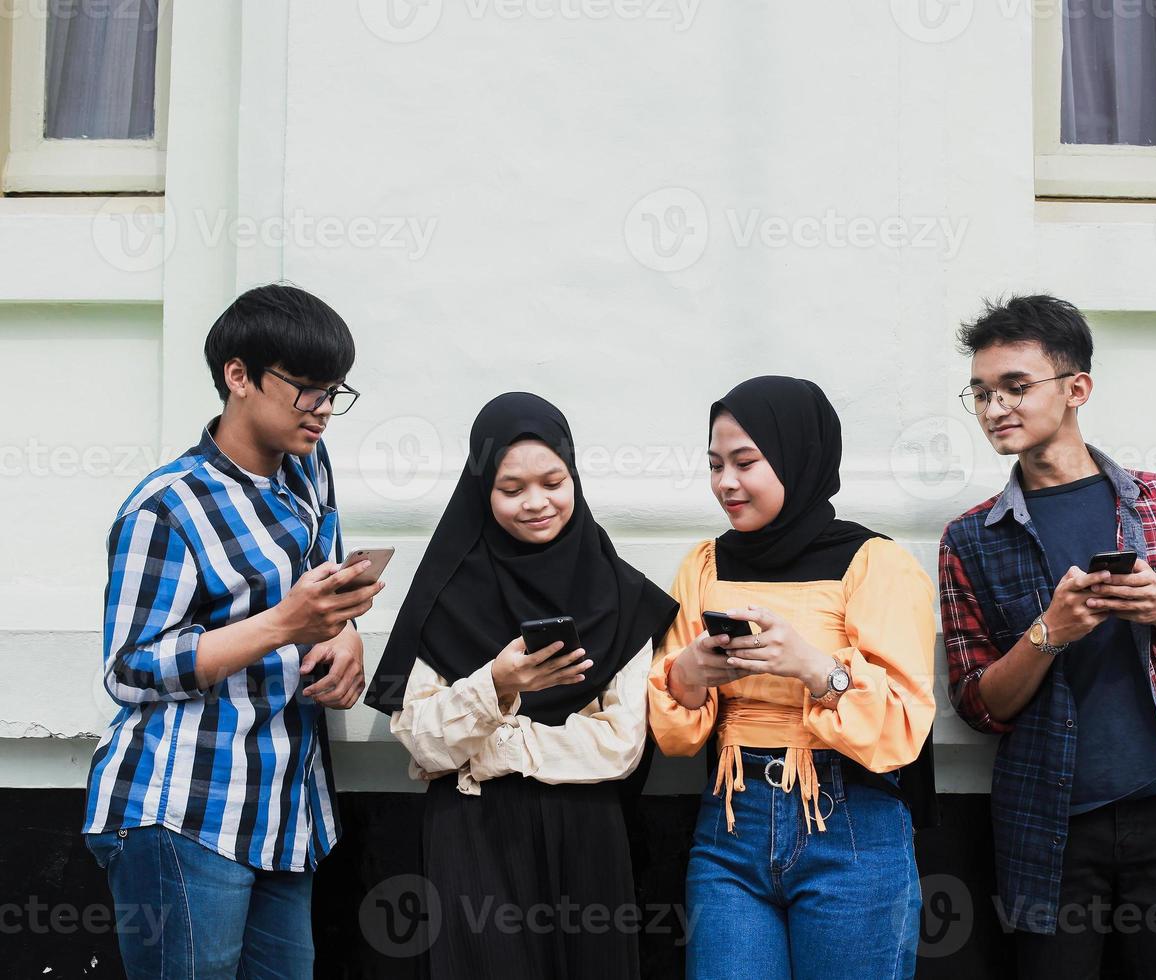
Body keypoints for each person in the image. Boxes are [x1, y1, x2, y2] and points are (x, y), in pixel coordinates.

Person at [939, 295, 1156, 977]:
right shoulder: (970, 538)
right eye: (982, 393)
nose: (996, 409)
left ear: (1077, 388)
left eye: (1017, 388)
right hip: (1049, 826)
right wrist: (1048, 634)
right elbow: (978, 705)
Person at [82, 284, 382, 978]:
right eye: (307, 390)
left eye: (335, 391)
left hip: (283, 809)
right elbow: (129, 667)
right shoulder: (166, 508)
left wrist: (343, 635)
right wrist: (284, 624)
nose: (324, 411)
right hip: (184, 810)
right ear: (238, 376)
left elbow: (324, 583)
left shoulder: (309, 468)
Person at [364, 392, 678, 979]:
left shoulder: (622, 596)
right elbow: (422, 739)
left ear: (575, 478)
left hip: (585, 831)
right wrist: (496, 683)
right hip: (473, 835)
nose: (537, 503)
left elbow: (619, 744)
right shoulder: (445, 597)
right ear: (483, 491)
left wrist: (486, 750)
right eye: (511, 490)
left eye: (554, 482)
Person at [648, 375, 937, 980]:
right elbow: (675, 733)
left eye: (745, 462)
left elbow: (904, 726)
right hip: (731, 821)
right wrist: (690, 674)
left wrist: (812, 666)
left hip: (850, 818)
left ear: (798, 457)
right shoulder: (704, 565)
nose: (726, 482)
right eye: (714, 464)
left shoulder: (875, 563)